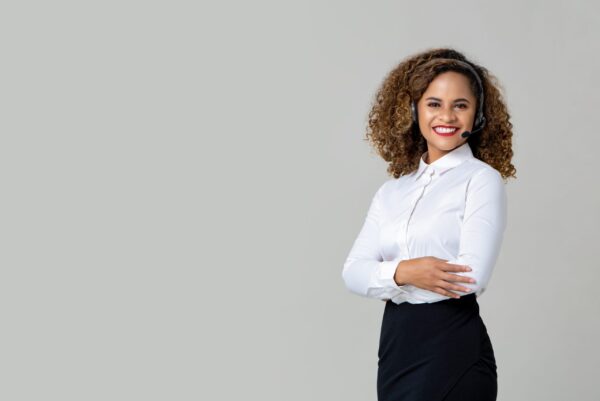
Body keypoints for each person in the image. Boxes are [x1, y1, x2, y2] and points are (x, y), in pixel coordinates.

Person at [341, 48, 516, 401]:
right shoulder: (392, 192)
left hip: (452, 345)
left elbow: (470, 276)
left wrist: (386, 275)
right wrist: (405, 272)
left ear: (477, 116)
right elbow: (352, 273)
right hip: (396, 345)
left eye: (461, 105)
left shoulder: (480, 180)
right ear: (413, 110)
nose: (447, 116)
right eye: (434, 103)